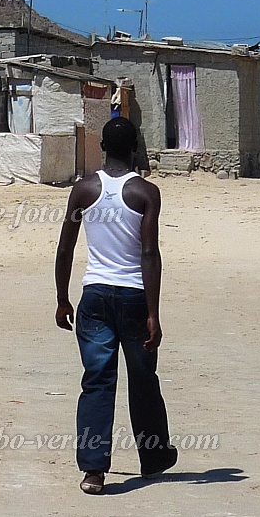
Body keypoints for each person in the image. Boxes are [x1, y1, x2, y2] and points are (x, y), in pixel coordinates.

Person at [54, 116, 175, 495]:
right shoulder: (146, 192)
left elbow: (65, 248)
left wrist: (62, 299)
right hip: (134, 298)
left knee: (97, 382)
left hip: (94, 299)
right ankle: (154, 457)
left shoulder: (84, 189)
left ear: (102, 147)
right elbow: (149, 253)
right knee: (143, 381)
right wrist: (154, 314)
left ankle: (93, 471)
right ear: (136, 146)